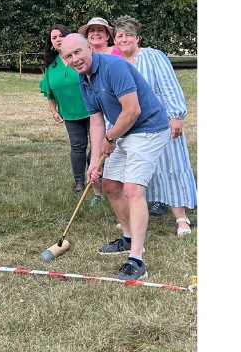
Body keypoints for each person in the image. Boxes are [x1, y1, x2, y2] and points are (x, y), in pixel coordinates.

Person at [59, 33, 170, 281]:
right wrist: (94, 160)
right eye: (68, 56)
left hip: (149, 128)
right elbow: (97, 122)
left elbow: (132, 110)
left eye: (78, 52)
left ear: (89, 48)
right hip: (122, 130)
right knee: (109, 184)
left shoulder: (114, 67)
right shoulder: (83, 80)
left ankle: (137, 259)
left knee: (132, 188)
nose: (75, 59)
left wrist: (110, 140)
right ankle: (128, 237)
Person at [112, 15, 197, 236]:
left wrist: (175, 116)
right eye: (119, 35)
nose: (124, 39)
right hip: (133, 127)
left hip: (162, 122)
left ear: (137, 37)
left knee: (172, 165)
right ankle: (133, 218)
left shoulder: (153, 57)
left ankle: (181, 219)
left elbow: (169, 86)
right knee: (137, 172)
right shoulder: (116, 63)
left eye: (129, 34)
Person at [39, 24, 103, 207]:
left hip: (92, 111)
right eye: (54, 37)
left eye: (61, 35)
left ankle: (97, 178)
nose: (58, 39)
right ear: (51, 43)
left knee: (96, 147)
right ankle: (79, 182)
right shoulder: (51, 66)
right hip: (69, 113)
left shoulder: (80, 58)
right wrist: (53, 110)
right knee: (77, 146)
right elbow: (48, 91)